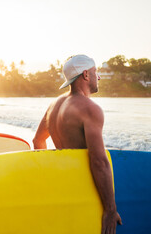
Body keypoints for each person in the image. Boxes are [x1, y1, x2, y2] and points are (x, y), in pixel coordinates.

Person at [33, 55, 122, 234]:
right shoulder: (89, 109)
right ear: (86, 75)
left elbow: (38, 141)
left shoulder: (54, 105)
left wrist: (48, 176)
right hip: (87, 189)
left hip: (64, 186)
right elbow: (98, 161)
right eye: (96, 72)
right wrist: (110, 210)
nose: (99, 77)